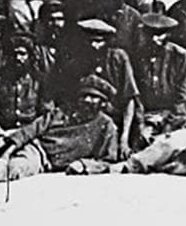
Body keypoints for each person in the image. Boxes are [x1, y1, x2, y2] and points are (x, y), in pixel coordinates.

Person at [49, 18, 139, 160]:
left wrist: (124, 139)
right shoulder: (78, 61)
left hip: (113, 122)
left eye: (99, 41)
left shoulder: (118, 58)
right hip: (86, 122)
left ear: (107, 41)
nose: (94, 46)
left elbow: (129, 101)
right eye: (90, 41)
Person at [132, 13, 186, 142]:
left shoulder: (182, 57)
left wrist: (167, 127)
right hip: (144, 117)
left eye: (160, 34)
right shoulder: (137, 56)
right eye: (150, 34)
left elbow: (182, 100)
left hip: (171, 118)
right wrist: (141, 124)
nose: (154, 39)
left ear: (168, 34)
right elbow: (135, 96)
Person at [0, 32, 46, 137]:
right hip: (3, 134)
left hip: (31, 135)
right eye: (14, 54)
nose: (17, 57)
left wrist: (27, 133)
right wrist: (0, 132)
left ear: (30, 57)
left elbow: (46, 115)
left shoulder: (38, 81)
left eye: (22, 54)